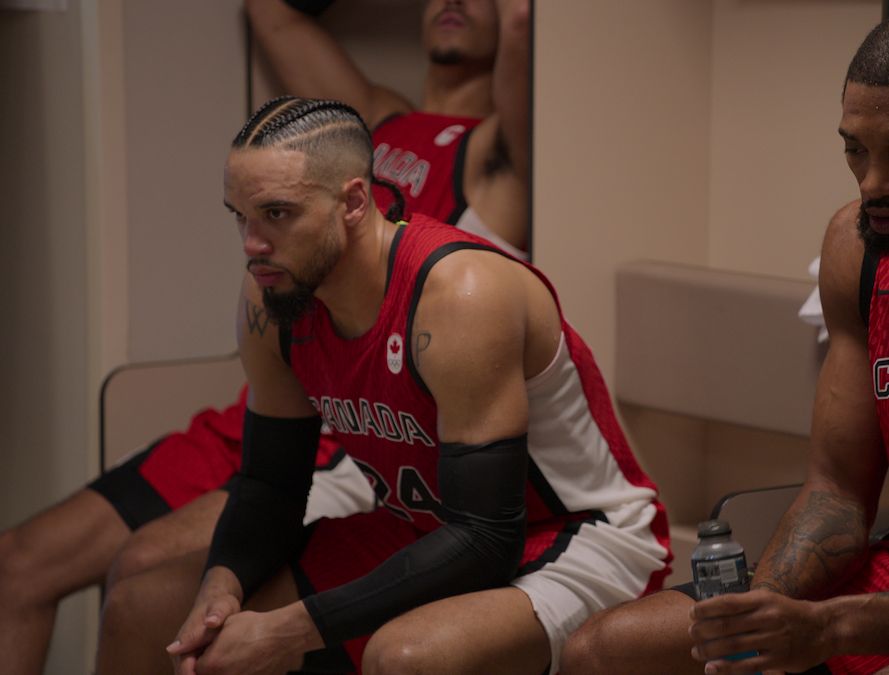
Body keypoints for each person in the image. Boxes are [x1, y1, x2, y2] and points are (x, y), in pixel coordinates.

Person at [560, 11, 889, 675]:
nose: (874, 182)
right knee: (600, 651)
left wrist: (833, 625)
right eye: (855, 149)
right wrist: (765, 611)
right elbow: (837, 492)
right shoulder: (857, 244)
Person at [94, 96, 670, 675]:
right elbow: (271, 485)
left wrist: (286, 631)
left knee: (404, 658)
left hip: (569, 538)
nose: (251, 245)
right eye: (239, 216)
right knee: (140, 608)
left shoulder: (460, 293)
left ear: (353, 201)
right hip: (426, 527)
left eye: (277, 214)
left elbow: (490, 536)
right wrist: (220, 587)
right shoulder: (272, 299)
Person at [0, 384, 376, 675]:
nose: (254, 245)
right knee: (18, 560)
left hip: (335, 435)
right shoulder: (262, 271)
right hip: (253, 415)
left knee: (142, 572)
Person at [246, 0, 530, 259]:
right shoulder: (374, 114)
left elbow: (521, 18)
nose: (452, 1)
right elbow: (270, 11)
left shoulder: (505, 144)